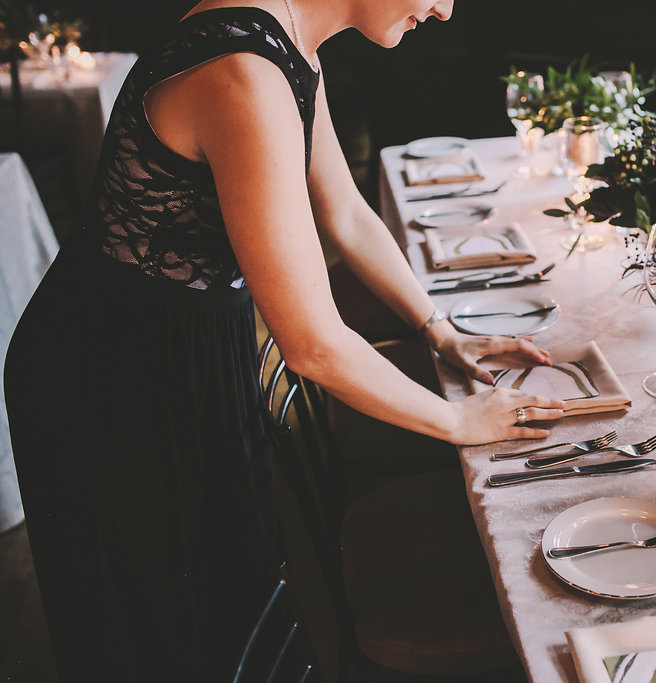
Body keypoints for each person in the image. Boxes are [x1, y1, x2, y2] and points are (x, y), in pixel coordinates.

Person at [3, 0, 564, 679]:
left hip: (182, 344)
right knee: (150, 624)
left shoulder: (290, 42)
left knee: (215, 600)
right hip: (108, 374)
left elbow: (347, 214)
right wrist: (456, 420)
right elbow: (315, 345)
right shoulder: (245, 73)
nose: (444, 10)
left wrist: (441, 333)